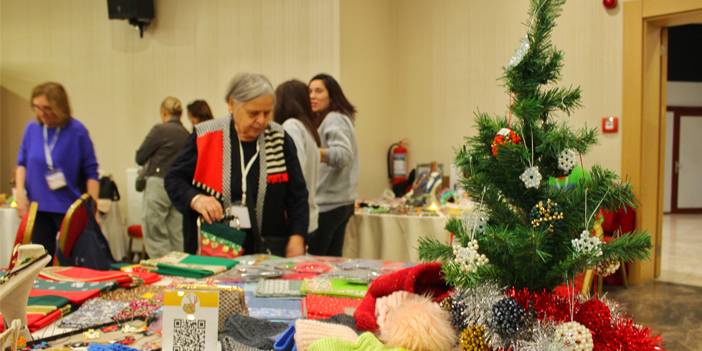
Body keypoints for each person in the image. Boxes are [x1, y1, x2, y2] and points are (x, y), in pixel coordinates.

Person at [165, 73, 308, 257]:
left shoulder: (279, 138)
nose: (262, 121)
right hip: (215, 248)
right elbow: (174, 179)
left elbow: (298, 195)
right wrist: (197, 199)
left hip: (269, 250)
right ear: (232, 105)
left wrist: (297, 237)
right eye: (253, 113)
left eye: (267, 113)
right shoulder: (205, 135)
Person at [15, 82, 99, 256]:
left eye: (47, 108)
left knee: (69, 261)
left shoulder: (77, 131)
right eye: (37, 107)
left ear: (60, 106)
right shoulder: (32, 129)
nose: (41, 113)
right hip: (38, 208)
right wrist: (20, 194)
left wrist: (92, 208)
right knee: (41, 261)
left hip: (68, 209)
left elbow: (92, 172)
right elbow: (21, 163)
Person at [307, 73, 359, 256]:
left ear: (332, 95)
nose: (312, 96)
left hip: (329, 204)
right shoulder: (339, 118)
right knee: (332, 262)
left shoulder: (333, 119)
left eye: (319, 91)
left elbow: (344, 154)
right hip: (340, 202)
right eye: (310, 91)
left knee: (318, 262)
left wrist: (312, 152)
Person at [135, 97, 190, 258]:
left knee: (155, 231)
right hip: (180, 187)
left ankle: (162, 270)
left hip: (158, 183)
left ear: (164, 113)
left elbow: (140, 156)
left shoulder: (160, 130)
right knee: (176, 233)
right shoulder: (187, 134)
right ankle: (179, 272)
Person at [274, 79, 321, 239]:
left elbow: (295, 170)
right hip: (310, 215)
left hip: (299, 219)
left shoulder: (291, 126)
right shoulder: (307, 127)